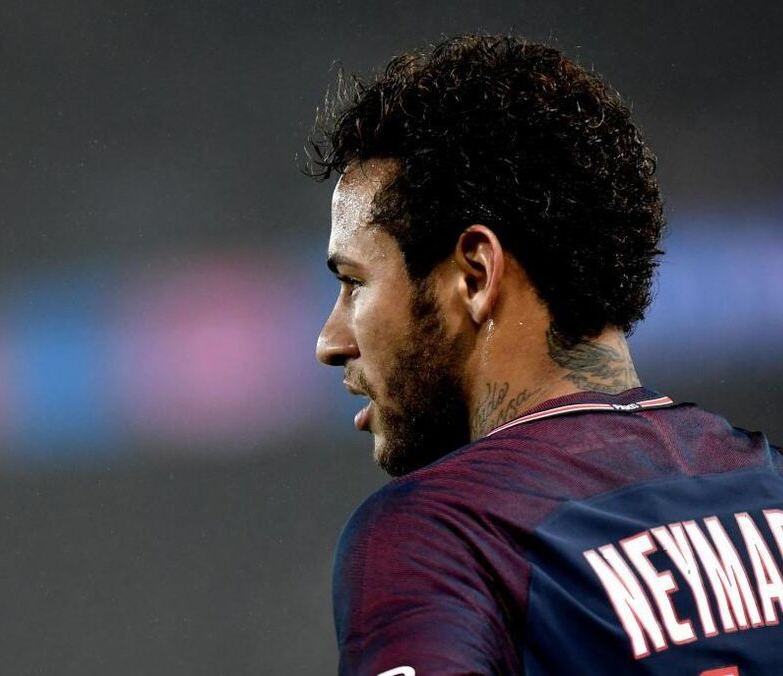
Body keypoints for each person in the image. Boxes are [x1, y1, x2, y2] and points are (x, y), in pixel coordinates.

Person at [307, 34, 783, 675]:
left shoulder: (441, 535)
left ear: (475, 275)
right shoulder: (770, 484)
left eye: (354, 282)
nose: (330, 342)